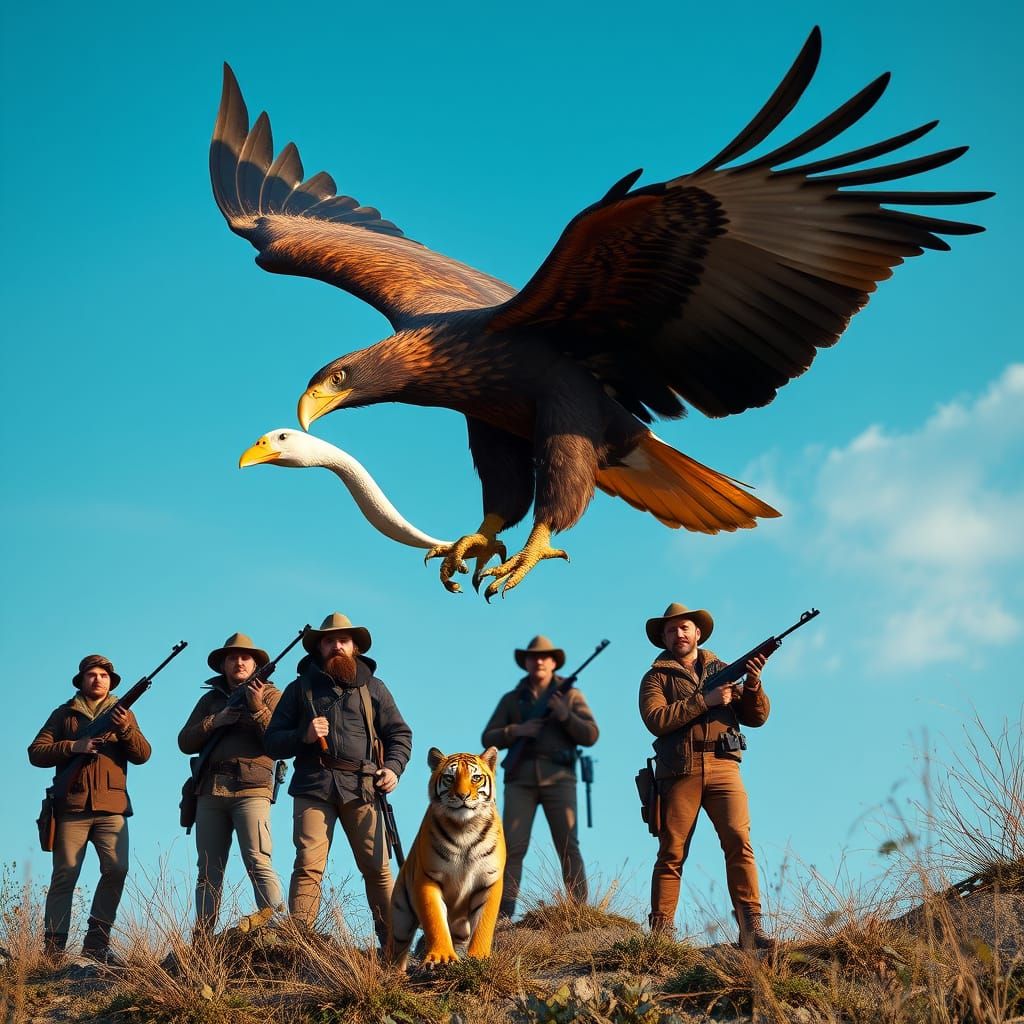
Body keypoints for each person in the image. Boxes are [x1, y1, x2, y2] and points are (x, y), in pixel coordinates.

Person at [264, 612, 411, 945]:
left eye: (343, 640)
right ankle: (298, 945)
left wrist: (393, 769)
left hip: (363, 787)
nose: (336, 646)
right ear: (319, 648)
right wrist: (304, 735)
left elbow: (400, 733)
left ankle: (393, 945)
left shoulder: (375, 688)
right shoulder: (298, 689)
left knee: (377, 868)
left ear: (355, 647)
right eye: (329, 641)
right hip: (313, 787)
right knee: (307, 865)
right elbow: (272, 742)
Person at [638, 602, 772, 949]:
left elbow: (757, 717)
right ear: (664, 638)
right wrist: (705, 701)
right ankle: (661, 935)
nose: (678, 634)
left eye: (684, 628)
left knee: (739, 843)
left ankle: (751, 929)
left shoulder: (724, 668)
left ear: (697, 633)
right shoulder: (656, 677)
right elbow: (656, 719)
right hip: (678, 772)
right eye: (671, 630)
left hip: (724, 766)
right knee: (672, 852)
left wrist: (754, 684)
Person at [28, 654, 152, 961]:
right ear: (81, 680)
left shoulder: (123, 713)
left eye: (104, 675)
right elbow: (36, 752)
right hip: (71, 807)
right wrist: (73, 746)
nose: (98, 679)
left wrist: (125, 730)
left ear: (111, 681)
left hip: (112, 807)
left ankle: (97, 942)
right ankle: (53, 951)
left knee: (117, 868)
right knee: (64, 875)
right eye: (92, 675)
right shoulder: (64, 714)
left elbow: (143, 754)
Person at [481, 635, 599, 920]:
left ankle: (578, 910)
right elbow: (488, 737)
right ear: (526, 663)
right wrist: (516, 731)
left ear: (554, 661)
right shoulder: (512, 699)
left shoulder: (570, 695)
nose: (539, 661)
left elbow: (591, 734)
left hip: (559, 778)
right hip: (520, 780)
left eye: (545, 656)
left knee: (568, 843)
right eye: (533, 657)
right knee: (512, 846)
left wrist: (564, 715)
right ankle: (503, 913)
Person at [178, 632, 284, 934]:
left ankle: (276, 929)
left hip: (252, 788)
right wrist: (216, 720)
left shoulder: (272, 695)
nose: (239, 662)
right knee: (208, 870)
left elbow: (280, 742)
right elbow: (185, 741)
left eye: (245, 657)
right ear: (223, 665)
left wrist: (256, 707)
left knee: (258, 860)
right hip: (210, 789)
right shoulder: (209, 699)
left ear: (255, 664)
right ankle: (203, 937)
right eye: (232, 657)